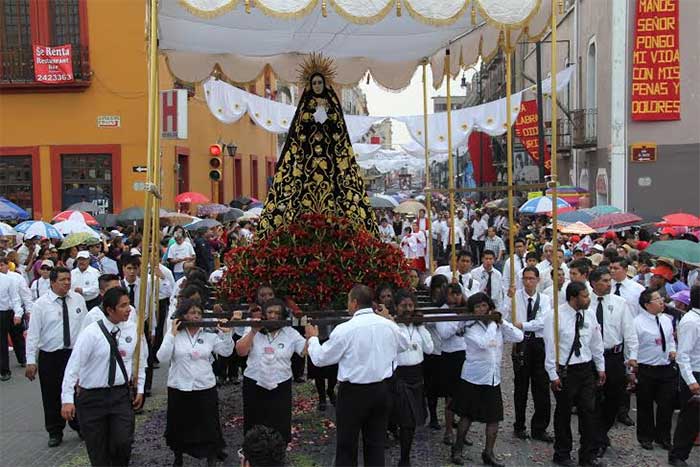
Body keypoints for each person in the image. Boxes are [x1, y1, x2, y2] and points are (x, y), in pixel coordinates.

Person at [257, 61, 378, 237]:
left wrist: (328, 118)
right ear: (310, 85)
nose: (317, 86)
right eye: (314, 83)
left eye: (320, 82)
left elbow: (340, 132)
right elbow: (297, 134)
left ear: (324, 83)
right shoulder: (305, 107)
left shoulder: (332, 106)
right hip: (308, 162)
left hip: (330, 162)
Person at [305, 285, 409, 466]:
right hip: (381, 390)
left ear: (354, 302)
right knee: (375, 444)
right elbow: (404, 344)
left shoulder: (346, 328)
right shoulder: (388, 325)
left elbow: (321, 359)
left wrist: (313, 338)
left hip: (354, 393)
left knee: (347, 445)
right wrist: (390, 320)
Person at [60, 287, 146, 467]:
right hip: (92, 399)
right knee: (98, 450)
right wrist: (67, 399)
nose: (129, 309)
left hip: (120, 396)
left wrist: (140, 387)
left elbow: (140, 359)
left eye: (129, 304)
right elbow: (73, 365)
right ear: (110, 310)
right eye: (123, 306)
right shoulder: (91, 333)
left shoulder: (133, 329)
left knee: (123, 442)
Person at [451, 293, 524, 467]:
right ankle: (457, 449)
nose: (482, 310)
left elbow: (519, 336)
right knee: (466, 417)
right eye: (477, 307)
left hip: (492, 378)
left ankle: (488, 452)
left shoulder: (497, 325)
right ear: (472, 310)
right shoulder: (470, 327)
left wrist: (502, 322)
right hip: (473, 378)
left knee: (493, 419)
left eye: (484, 306)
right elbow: (484, 343)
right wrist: (492, 323)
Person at [157, 298, 233, 466]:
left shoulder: (209, 336)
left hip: (204, 387)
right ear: (183, 315)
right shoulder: (175, 335)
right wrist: (171, 334)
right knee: (179, 425)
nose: (196, 316)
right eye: (192, 313)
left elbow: (226, 352)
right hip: (179, 387)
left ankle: (211, 457)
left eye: (199, 313)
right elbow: (161, 358)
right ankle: (178, 456)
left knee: (208, 424)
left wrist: (226, 334)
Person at [544, 282, 605, 467]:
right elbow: (550, 346)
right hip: (565, 370)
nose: (588, 299)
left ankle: (587, 455)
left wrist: (601, 367)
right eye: (585, 296)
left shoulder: (590, 314)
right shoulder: (555, 316)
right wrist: (552, 374)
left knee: (588, 412)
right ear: (573, 297)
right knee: (563, 413)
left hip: (585, 369)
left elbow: (596, 342)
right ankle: (562, 453)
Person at [25, 266, 86, 447]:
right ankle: (54, 430)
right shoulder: (41, 305)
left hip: (73, 354)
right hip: (50, 356)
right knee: (51, 395)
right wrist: (30, 361)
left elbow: (85, 327)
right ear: (52, 283)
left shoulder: (78, 300)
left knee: (77, 392)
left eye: (68, 279)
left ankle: (79, 425)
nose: (67, 283)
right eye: (62, 280)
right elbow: (33, 334)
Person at [236, 298, 305, 443]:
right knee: (254, 423)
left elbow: (304, 351)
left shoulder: (290, 332)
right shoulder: (253, 328)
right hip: (254, 383)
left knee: (279, 424)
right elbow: (241, 351)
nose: (273, 316)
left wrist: (311, 337)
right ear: (264, 314)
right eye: (270, 312)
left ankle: (277, 457)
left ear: (283, 316)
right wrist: (253, 332)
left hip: (281, 385)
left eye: (277, 313)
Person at [588, 267, 638, 457]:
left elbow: (629, 332)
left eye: (610, 280)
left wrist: (632, 357)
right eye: (604, 280)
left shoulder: (620, 303)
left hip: (614, 357)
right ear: (593, 283)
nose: (609, 284)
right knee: (591, 401)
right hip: (592, 359)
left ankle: (601, 432)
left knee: (613, 399)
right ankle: (594, 439)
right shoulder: (585, 303)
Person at [503, 266, 553, 442]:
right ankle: (519, 425)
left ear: (538, 280)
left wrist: (523, 325)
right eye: (525, 278)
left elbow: (543, 322)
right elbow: (503, 316)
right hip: (521, 343)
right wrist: (508, 299)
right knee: (521, 387)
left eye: (532, 278)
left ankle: (540, 427)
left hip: (538, 344)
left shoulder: (545, 299)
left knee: (541, 386)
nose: (528, 282)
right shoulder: (515, 298)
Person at [391, 289, 433, 466]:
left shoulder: (418, 327)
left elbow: (429, 349)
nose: (407, 309)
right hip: (399, 377)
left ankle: (404, 457)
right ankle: (403, 457)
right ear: (396, 307)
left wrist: (421, 326)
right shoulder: (392, 326)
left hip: (417, 376)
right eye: (403, 306)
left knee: (411, 421)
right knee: (403, 420)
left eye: (410, 305)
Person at [634, 288, 677, 451]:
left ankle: (663, 437)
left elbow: (670, 339)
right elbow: (633, 346)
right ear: (647, 304)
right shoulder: (638, 323)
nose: (662, 302)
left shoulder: (666, 319)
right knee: (645, 405)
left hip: (666, 368)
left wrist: (672, 349)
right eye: (657, 299)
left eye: (661, 298)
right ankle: (645, 437)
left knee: (666, 404)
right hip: (646, 368)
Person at [609, 255, 645, 426]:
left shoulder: (636, 289)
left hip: (629, 333)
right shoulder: (607, 287)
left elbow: (640, 312)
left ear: (625, 269)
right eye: (611, 268)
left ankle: (623, 411)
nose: (613, 271)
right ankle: (610, 407)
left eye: (616, 268)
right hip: (612, 334)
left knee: (628, 372)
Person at [669, 285, 700, 466]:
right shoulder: (691, 321)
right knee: (690, 419)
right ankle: (678, 455)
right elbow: (683, 355)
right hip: (694, 373)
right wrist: (691, 381)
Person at [436, 283, 468, 446]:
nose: (456, 297)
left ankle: (462, 432)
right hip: (449, 355)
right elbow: (444, 333)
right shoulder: (442, 310)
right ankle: (448, 430)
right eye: (452, 294)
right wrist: (457, 321)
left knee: (464, 395)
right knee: (450, 396)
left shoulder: (465, 309)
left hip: (464, 353)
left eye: (458, 294)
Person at [0, 262, 23, 381]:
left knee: (2, 342)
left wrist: (18, 313)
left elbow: (15, 298)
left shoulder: (7, 280)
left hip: (3, 312)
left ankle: (4, 370)